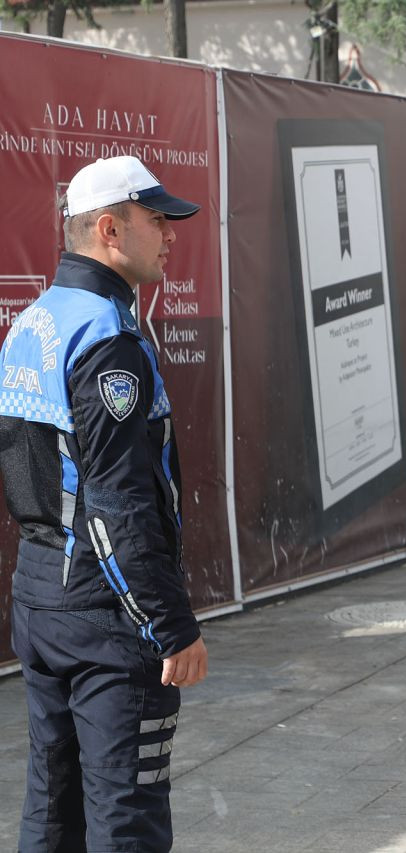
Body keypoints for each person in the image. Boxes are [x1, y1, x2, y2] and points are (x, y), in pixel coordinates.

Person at [0, 155, 209, 851]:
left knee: (53, 807)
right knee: (127, 815)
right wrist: (170, 623)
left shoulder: (33, 323)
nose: (172, 234)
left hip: (40, 596)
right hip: (103, 612)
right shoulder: (107, 338)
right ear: (111, 229)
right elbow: (117, 503)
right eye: (159, 220)